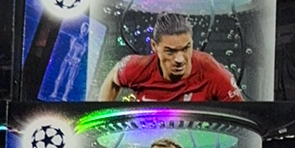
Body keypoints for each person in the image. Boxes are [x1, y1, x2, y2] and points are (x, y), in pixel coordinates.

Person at [97, 13, 244, 102]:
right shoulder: (137, 67)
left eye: (186, 48)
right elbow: (113, 78)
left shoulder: (212, 71)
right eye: (170, 51)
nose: (180, 59)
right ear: (154, 46)